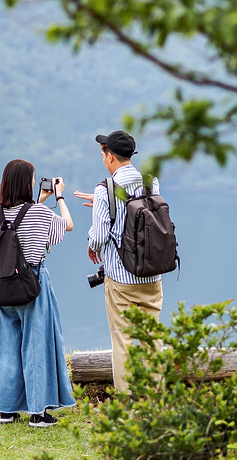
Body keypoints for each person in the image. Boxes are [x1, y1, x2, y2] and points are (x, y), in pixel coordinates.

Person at [0, 159, 76, 426]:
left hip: (3, 286)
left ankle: (6, 410)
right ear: (27, 183)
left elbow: (17, 230)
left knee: (7, 347)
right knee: (37, 346)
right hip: (32, 284)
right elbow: (67, 225)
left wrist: (39, 201)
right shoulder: (39, 213)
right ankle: (38, 412)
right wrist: (59, 197)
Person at [73, 130, 162, 392]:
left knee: (122, 342)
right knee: (152, 340)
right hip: (151, 275)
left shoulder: (105, 189)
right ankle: (157, 400)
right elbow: (145, 212)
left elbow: (99, 238)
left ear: (110, 156)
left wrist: (91, 238)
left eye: (103, 153)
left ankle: (127, 405)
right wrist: (101, 203)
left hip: (120, 278)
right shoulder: (150, 182)